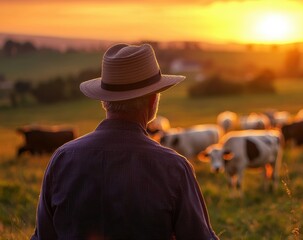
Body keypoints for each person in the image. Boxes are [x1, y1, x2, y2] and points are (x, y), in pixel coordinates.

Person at [31, 43, 219, 240]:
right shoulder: (174, 168)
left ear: (104, 101)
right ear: (153, 101)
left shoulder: (62, 159)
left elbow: (43, 236)